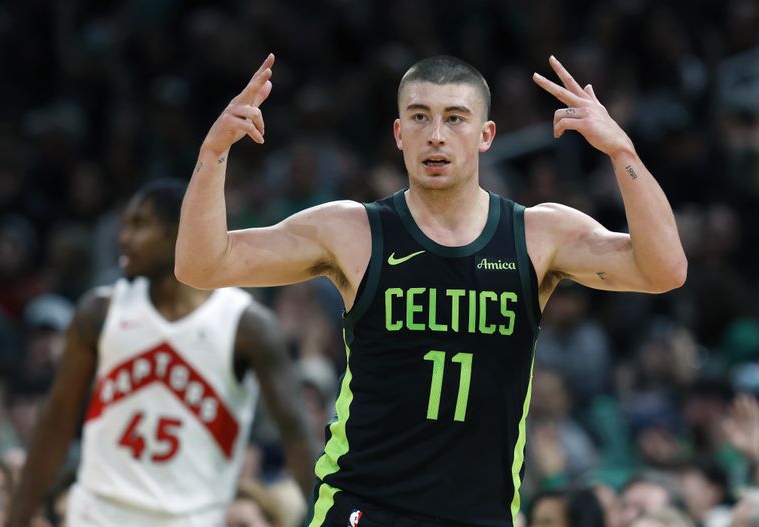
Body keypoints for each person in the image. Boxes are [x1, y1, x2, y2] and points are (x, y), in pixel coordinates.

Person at [176, 53, 687, 527]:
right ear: (399, 133)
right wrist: (212, 153)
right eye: (419, 117)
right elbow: (202, 265)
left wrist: (622, 150)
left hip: (480, 512)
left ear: (486, 134)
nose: (436, 135)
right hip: (364, 505)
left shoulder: (537, 235)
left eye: (455, 118)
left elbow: (663, 270)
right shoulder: (353, 230)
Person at [8, 180, 316, 526]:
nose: (123, 237)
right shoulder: (101, 312)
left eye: (139, 225)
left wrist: (322, 517)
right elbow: (57, 421)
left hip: (191, 518)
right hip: (98, 513)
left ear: (178, 234)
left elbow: (296, 434)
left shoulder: (246, 325)